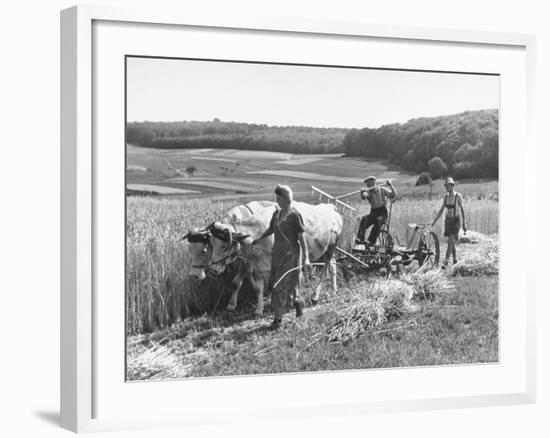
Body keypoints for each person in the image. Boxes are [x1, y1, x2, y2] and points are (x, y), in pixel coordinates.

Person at [252, 185, 310, 329]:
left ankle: (278, 319)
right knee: (278, 285)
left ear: (285, 199)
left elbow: (302, 239)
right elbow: (271, 229)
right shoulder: (276, 214)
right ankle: (297, 302)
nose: (277, 201)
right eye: (277, 198)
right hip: (277, 253)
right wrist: (259, 238)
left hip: (291, 255)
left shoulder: (295, 217)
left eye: (279, 198)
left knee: (280, 286)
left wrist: (306, 258)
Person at [431, 177, 466, 268]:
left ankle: (445, 262)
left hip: (455, 221)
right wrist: (434, 221)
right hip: (448, 221)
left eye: (447, 186)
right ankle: (454, 259)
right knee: (451, 241)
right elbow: (441, 210)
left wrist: (464, 224)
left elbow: (462, 210)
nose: (446, 187)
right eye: (445, 186)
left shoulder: (458, 196)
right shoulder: (445, 197)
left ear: (452, 185)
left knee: (451, 240)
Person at [356, 176, 397, 245]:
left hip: (383, 213)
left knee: (378, 221)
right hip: (373, 212)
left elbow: (394, 195)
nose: (368, 186)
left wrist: (390, 185)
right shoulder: (369, 192)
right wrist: (362, 192)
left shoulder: (382, 189)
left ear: (373, 183)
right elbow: (364, 196)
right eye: (367, 185)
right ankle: (360, 239)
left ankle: (370, 241)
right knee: (364, 219)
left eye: (369, 184)